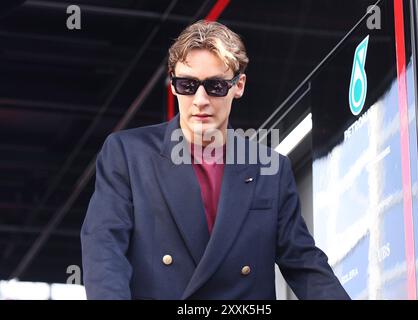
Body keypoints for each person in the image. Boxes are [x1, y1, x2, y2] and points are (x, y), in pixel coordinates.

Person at [81, 19, 349, 300]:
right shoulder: (128, 153)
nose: (200, 100)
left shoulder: (270, 168)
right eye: (187, 84)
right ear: (173, 84)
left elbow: (305, 265)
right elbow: (104, 249)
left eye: (216, 86)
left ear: (238, 86)